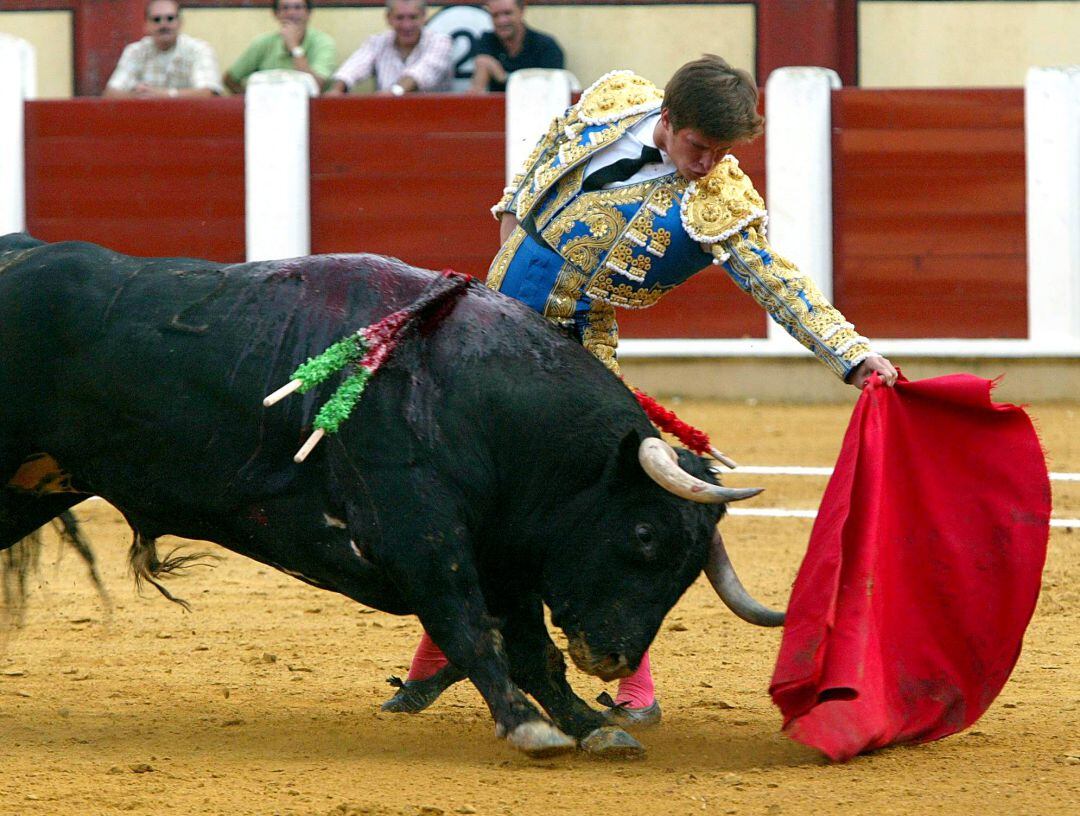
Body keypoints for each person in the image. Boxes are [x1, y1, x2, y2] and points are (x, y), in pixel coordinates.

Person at [384, 55, 898, 727]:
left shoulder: (721, 203)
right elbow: (544, 158)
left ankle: (636, 687)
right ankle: (442, 651)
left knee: (596, 514)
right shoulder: (615, 97)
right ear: (667, 119)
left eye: (722, 152)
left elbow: (779, 283)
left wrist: (853, 357)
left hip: (570, 355)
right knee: (473, 492)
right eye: (698, 146)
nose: (709, 162)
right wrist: (510, 224)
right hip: (487, 327)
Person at [324, 0, 452, 96]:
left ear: (424, 17)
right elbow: (353, 68)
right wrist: (337, 89)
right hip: (387, 116)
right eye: (399, 18)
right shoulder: (377, 42)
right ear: (388, 18)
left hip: (432, 119)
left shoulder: (440, 42)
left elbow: (422, 72)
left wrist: (394, 92)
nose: (406, 25)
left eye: (413, 17)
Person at [104, 0, 223, 98]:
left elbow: (209, 93)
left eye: (170, 18)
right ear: (146, 25)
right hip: (145, 121)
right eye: (156, 20)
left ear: (180, 23)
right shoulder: (135, 52)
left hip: (189, 121)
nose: (164, 25)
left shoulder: (199, 50)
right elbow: (110, 94)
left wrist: (165, 95)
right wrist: (138, 97)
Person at [223, 0, 336, 94]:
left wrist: (294, 47)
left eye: (298, 7)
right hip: (267, 110)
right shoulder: (263, 43)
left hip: (309, 111)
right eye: (285, 8)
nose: (291, 13)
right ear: (276, 14)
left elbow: (316, 86)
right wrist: (251, 100)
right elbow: (230, 79)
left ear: (308, 13)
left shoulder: (323, 42)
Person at [469, 0, 564, 93]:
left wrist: (503, 77)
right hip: (496, 107)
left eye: (507, 13)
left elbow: (552, 89)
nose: (501, 21)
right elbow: (477, 88)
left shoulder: (546, 46)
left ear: (522, 11)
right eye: (495, 15)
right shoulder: (487, 40)